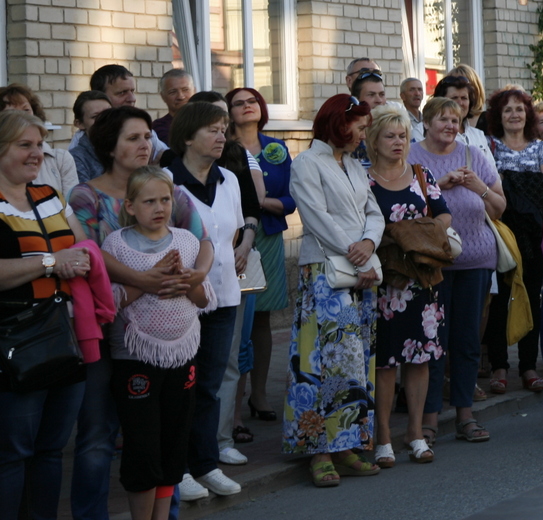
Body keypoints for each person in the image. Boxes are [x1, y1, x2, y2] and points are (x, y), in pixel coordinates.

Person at [68, 105, 210, 520]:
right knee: (98, 434)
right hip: (106, 325)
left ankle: (166, 513)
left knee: (166, 433)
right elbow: (90, 255)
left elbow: (200, 241)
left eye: (148, 136)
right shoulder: (86, 196)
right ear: (109, 146)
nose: (145, 144)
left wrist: (195, 277)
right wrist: (145, 280)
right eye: (133, 138)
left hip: (167, 329)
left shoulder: (169, 189)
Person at [0, 110, 94, 520]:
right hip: (9, 347)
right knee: (7, 454)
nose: (36, 154)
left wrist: (80, 260)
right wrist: (50, 262)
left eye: (39, 145)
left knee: (49, 451)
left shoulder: (49, 195)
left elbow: (83, 248)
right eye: (24, 145)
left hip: (63, 341)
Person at [103, 166, 215, 520]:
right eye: (149, 201)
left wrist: (186, 282)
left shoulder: (186, 241)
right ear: (130, 206)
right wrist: (150, 280)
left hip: (182, 354)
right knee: (142, 445)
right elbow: (111, 303)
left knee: (174, 443)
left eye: (165, 200)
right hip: (135, 358)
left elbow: (202, 299)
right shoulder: (116, 244)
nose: (159, 208)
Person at [283, 95, 383, 488]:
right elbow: (316, 217)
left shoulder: (355, 166)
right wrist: (356, 253)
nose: (363, 136)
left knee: (354, 363)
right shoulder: (307, 163)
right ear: (339, 124)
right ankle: (319, 451)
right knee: (321, 363)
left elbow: (374, 212)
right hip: (326, 273)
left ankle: (347, 445)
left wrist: (369, 244)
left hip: (360, 272)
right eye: (359, 127)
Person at [163, 102, 247, 501]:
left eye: (223, 129)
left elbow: (231, 234)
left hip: (224, 297)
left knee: (209, 387)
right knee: (181, 387)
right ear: (187, 137)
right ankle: (177, 469)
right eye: (212, 130)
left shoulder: (228, 178)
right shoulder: (167, 181)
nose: (220, 136)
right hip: (180, 301)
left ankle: (205, 464)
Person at [410, 97, 504, 445]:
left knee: (466, 341)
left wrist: (479, 188)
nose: (450, 126)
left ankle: (465, 415)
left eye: (455, 120)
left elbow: (499, 207)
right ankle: (430, 419)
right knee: (433, 342)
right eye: (443, 119)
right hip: (431, 262)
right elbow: (400, 207)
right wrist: (439, 186)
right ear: (426, 123)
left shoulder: (474, 154)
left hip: (476, 260)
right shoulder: (412, 156)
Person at [366, 105, 450, 467]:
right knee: (385, 362)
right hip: (384, 283)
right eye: (390, 136)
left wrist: (422, 235)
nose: (398, 142)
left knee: (420, 358)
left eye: (402, 136)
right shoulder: (363, 179)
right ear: (374, 141)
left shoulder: (421, 174)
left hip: (421, 281)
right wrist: (397, 237)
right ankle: (383, 436)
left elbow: (443, 213)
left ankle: (415, 433)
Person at [224, 86, 293, 430]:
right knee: (238, 321)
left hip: (268, 235)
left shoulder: (276, 148)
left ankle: (260, 394)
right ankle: (232, 402)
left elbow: (292, 198)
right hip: (234, 238)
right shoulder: (223, 147)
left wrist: (261, 202)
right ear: (228, 113)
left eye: (252, 101)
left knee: (263, 319)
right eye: (238, 103)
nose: (247, 106)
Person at [484, 87, 543, 395]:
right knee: (499, 299)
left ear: (528, 114)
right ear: (498, 116)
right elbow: (489, 189)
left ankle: (528, 366)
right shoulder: (489, 147)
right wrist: (522, 187)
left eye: (519, 108)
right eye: (507, 110)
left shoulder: (542, 148)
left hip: (534, 234)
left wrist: (508, 184)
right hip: (499, 232)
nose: (514, 114)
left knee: (530, 298)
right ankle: (499, 366)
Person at [0, 83, 79, 199]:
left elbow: (71, 204)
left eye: (26, 110)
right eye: (12, 112)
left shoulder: (60, 159)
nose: (22, 117)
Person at [431, 74, 494, 166]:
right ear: (439, 101)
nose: (460, 103)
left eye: (464, 98)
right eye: (454, 98)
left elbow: (492, 170)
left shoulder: (478, 135)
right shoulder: (426, 132)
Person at [70, 90, 112, 184]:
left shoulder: (126, 148)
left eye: (108, 113)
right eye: (95, 117)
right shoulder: (76, 158)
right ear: (79, 124)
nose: (105, 120)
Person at [153, 68, 196, 146]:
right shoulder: (158, 127)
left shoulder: (206, 122)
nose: (181, 97)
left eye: (185, 90)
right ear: (163, 96)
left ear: (194, 91)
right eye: (173, 92)